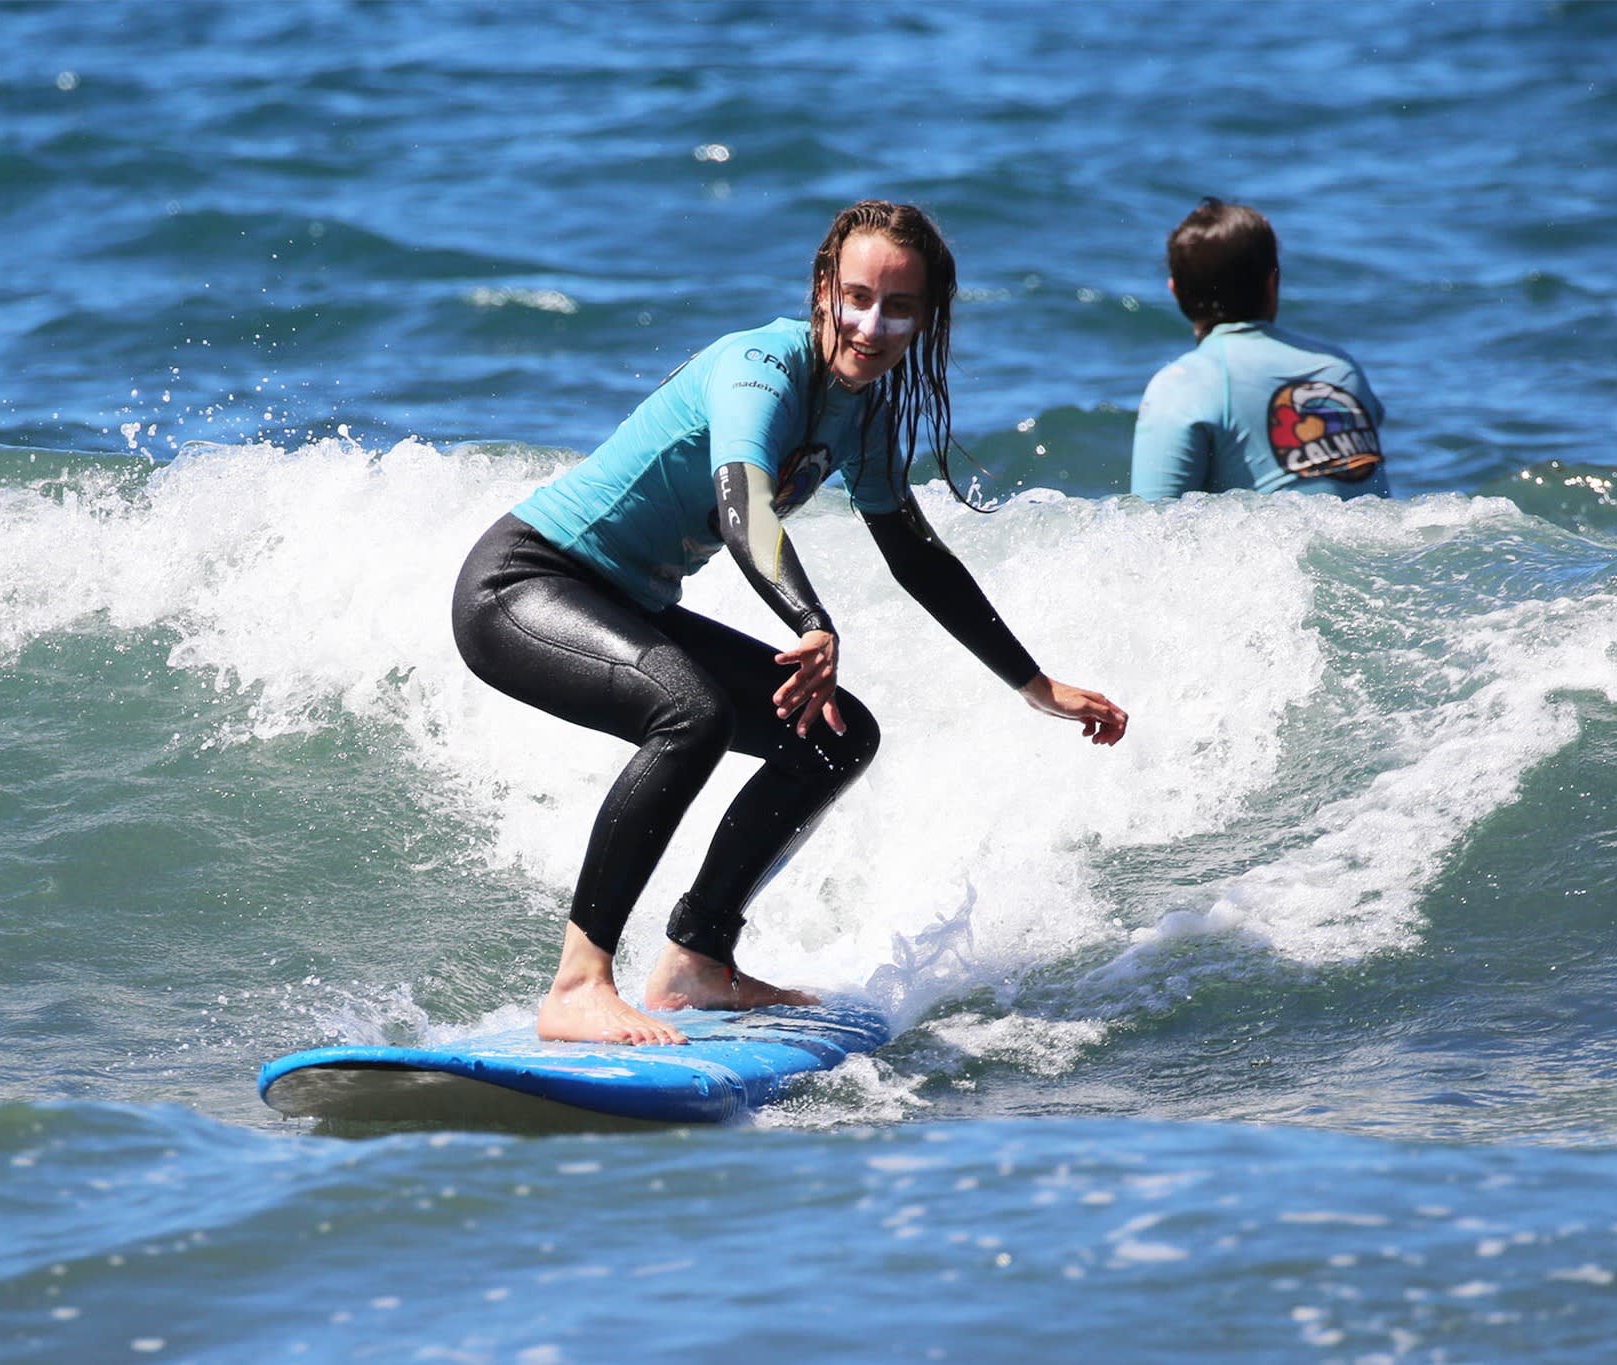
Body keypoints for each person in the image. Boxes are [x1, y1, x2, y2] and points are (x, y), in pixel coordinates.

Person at [452, 199, 1129, 1046]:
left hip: (623, 601)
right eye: (855, 297)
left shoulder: (868, 409)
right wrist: (813, 620)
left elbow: (915, 555)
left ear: (928, 317)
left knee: (834, 736)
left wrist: (1036, 686)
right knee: (690, 714)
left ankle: (697, 959)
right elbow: (745, 508)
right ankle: (578, 982)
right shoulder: (759, 368)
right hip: (524, 584)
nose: (870, 325)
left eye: (899, 307)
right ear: (821, 290)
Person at [1130, 197, 1391, 499]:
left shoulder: (1184, 384)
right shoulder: (1341, 369)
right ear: (1272, 282)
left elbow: (1152, 523)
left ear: (1174, 291)